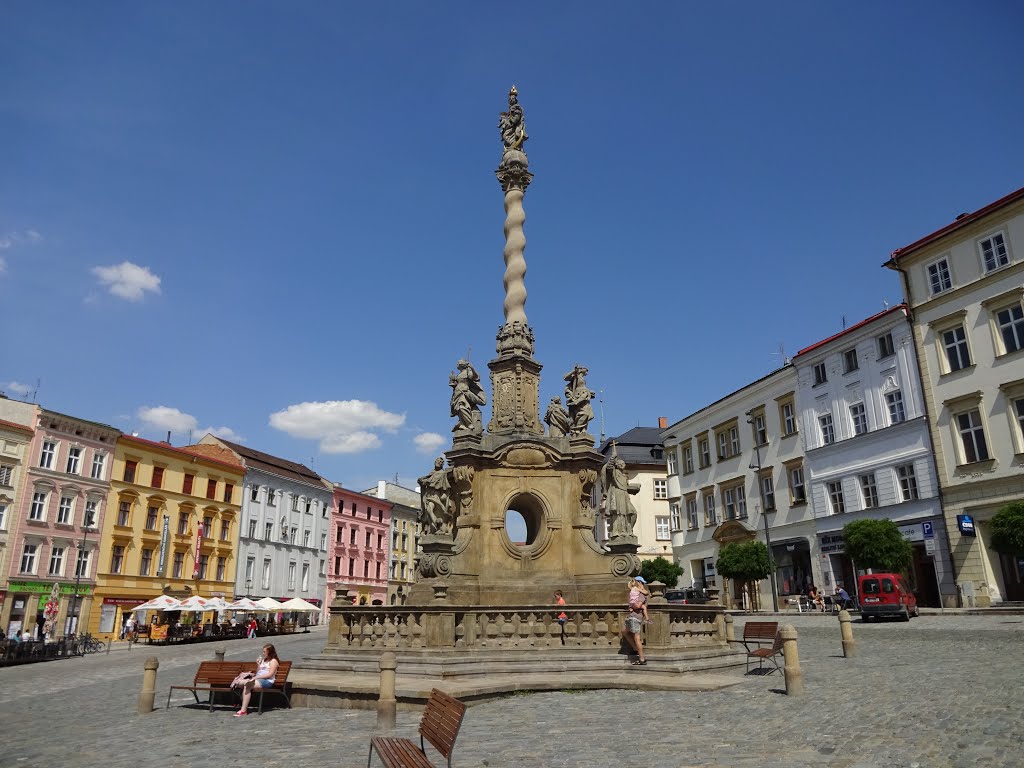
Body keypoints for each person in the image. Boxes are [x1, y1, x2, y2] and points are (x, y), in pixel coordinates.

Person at [235, 644, 280, 717]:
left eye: (264, 652)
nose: (263, 653)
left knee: (247, 685)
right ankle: (243, 707)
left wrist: (257, 677)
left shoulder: (273, 661)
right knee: (239, 683)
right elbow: (258, 671)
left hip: (267, 681)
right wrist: (258, 664)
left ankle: (243, 710)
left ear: (270, 652)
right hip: (259, 679)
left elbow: (270, 674)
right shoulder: (264, 660)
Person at [621, 577, 650, 666]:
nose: (642, 584)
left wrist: (631, 606)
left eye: (642, 583)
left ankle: (642, 659)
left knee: (637, 638)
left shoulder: (641, 594)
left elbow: (637, 605)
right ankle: (635, 649)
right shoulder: (637, 592)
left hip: (635, 618)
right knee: (624, 631)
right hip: (632, 617)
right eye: (641, 582)